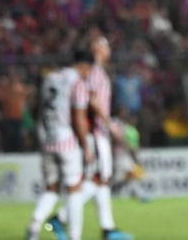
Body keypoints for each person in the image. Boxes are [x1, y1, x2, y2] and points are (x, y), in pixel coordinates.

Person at [50, 36, 134, 240]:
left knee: (103, 180)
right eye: (104, 46)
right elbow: (93, 101)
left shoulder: (97, 71)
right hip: (96, 132)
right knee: (97, 179)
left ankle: (108, 229)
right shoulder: (94, 72)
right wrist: (110, 124)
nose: (108, 49)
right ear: (96, 49)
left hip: (98, 133)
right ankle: (59, 218)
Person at [25, 49, 93, 240]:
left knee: (52, 189)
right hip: (66, 140)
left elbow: (37, 107)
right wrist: (86, 145)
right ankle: (74, 236)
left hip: (46, 138)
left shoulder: (50, 78)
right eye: (89, 70)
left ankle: (35, 225)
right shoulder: (78, 82)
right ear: (84, 66)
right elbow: (79, 117)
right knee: (74, 189)